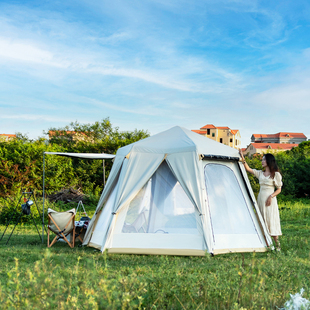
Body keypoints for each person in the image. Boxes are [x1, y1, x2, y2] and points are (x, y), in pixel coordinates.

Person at [239, 150, 282, 250]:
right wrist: (242, 158)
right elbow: (248, 169)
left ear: (269, 161)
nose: (262, 161)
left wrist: (271, 196)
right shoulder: (260, 173)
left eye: (264, 160)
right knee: (261, 219)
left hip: (270, 201)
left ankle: (277, 246)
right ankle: (266, 245)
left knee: (271, 220)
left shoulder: (275, 174)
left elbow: (279, 189)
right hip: (261, 200)